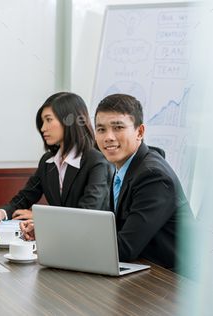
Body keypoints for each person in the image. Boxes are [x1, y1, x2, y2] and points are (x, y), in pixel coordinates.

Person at [21, 93, 193, 270]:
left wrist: (55, 237)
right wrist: (49, 230)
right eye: (101, 129)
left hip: (174, 282)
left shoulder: (153, 177)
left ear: (140, 132)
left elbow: (124, 248)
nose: (108, 137)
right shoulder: (123, 167)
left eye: (118, 127)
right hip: (146, 270)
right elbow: (110, 233)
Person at [0, 92, 111, 224]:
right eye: (42, 121)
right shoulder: (48, 161)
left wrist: (42, 217)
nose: (43, 128)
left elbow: (87, 213)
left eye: (49, 120)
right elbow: (25, 197)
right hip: (60, 237)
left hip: (90, 238)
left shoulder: (97, 161)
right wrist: (1, 213)